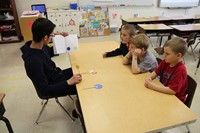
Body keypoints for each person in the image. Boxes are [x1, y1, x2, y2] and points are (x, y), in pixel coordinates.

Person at [20, 18, 82, 98]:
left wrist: (63, 40)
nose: (52, 37)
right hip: (53, 86)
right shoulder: (33, 62)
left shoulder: (39, 46)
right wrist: (68, 82)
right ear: (45, 38)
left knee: (80, 71)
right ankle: (79, 109)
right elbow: (44, 90)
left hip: (56, 75)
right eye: (52, 35)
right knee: (83, 86)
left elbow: (52, 51)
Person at [144, 37, 187, 102]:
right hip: (164, 92)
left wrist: (153, 86)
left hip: (175, 99)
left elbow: (172, 91)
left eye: (167, 54)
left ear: (178, 55)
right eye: (164, 52)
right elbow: (156, 71)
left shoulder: (181, 70)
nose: (164, 56)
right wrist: (149, 77)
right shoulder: (166, 61)